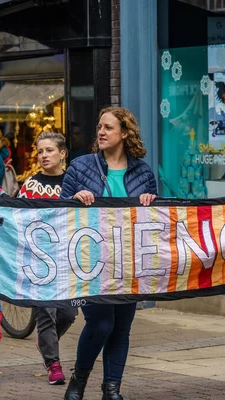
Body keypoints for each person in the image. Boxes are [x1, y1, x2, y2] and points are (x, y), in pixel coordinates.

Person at [61, 107, 157, 400]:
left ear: (125, 133)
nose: (101, 132)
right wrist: (75, 199)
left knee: (122, 327)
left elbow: (156, 220)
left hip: (128, 262)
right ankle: (78, 380)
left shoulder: (143, 171)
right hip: (91, 262)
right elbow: (58, 212)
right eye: (99, 127)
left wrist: (150, 201)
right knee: (101, 323)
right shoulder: (80, 167)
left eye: (108, 128)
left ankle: (112, 388)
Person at [18, 132, 78, 386]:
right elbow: (16, 217)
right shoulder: (30, 186)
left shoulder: (74, 184)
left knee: (68, 314)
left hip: (68, 260)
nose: (44, 155)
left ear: (62, 154)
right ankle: (53, 363)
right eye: (40, 151)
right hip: (39, 260)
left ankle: (45, 342)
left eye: (49, 150)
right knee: (46, 314)